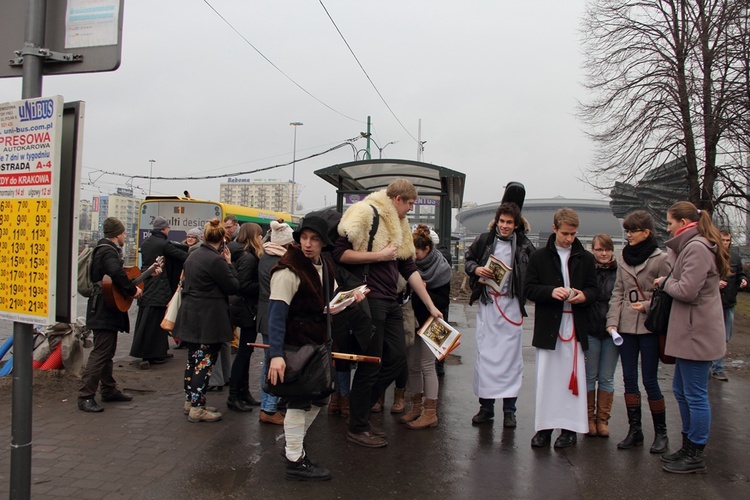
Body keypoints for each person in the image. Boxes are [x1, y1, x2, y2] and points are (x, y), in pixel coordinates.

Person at [333, 178, 444, 448]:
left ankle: (360, 409)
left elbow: (409, 268)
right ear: (397, 200)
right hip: (368, 299)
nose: (411, 209)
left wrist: (430, 306)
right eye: (410, 204)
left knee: (395, 360)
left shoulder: (400, 225)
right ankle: (357, 425)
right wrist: (378, 257)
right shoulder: (366, 212)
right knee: (372, 363)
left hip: (391, 300)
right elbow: (339, 254)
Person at [267, 217, 355, 481]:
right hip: (295, 346)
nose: (307, 244)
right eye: (304, 237)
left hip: (317, 344)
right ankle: (295, 459)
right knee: (299, 401)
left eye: (314, 239)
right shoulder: (288, 270)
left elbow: (331, 301)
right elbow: (276, 315)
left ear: (323, 243)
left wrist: (352, 297)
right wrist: (276, 356)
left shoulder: (325, 265)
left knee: (318, 397)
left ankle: (294, 449)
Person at [655, 202, 729, 474]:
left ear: (684, 222)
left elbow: (686, 290)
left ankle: (695, 451)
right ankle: (687, 446)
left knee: (695, 394)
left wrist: (664, 282)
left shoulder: (696, 248)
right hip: (689, 330)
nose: (668, 226)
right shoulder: (690, 246)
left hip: (696, 333)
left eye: (670, 221)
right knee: (681, 391)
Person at [525, 208, 598, 448]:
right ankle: (544, 428)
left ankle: (569, 429)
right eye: (565, 233)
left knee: (573, 379)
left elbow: (594, 290)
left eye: (573, 234)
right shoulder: (539, 257)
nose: (569, 238)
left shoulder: (586, 258)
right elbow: (529, 289)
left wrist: (581, 296)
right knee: (547, 380)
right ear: (555, 228)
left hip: (575, 325)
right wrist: (550, 291)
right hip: (549, 326)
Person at [78, 217, 160, 413]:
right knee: (100, 353)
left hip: (105, 308)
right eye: (123, 233)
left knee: (107, 352)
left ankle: (108, 389)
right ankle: (85, 396)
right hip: (103, 310)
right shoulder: (108, 251)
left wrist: (147, 274)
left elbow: (117, 277)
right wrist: (133, 291)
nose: (125, 236)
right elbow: (116, 273)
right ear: (117, 234)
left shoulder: (104, 250)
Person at [464, 202, 535, 428]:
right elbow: (468, 260)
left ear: (516, 225)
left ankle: (509, 410)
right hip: (489, 307)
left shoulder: (525, 245)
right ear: (497, 222)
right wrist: (476, 269)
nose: (505, 226)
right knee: (486, 358)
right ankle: (486, 408)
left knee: (511, 361)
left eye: (509, 223)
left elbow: (536, 271)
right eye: (502, 222)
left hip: (511, 307)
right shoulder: (485, 240)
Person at [606, 211, 671, 452]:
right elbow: (617, 292)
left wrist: (646, 305)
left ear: (647, 233)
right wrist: (612, 322)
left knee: (650, 379)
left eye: (633, 231)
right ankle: (635, 431)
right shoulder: (624, 258)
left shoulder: (661, 258)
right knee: (629, 378)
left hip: (649, 326)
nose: (629, 234)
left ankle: (661, 433)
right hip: (626, 327)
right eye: (628, 230)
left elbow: (668, 293)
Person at [174, 219, 239, 423]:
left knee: (193, 360)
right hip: (208, 319)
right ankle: (197, 407)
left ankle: (191, 401)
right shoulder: (215, 260)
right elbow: (233, 286)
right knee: (204, 362)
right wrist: (229, 264)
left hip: (191, 316)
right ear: (222, 239)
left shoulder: (193, 256)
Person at [398, 225, 453, 429]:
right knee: (412, 365)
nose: (413, 257)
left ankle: (430, 412)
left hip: (431, 322)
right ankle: (416, 407)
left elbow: (444, 301)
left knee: (427, 366)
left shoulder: (442, 268)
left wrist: (425, 290)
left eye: (417, 253)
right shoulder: (409, 267)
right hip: (412, 321)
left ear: (427, 249)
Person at [130, 216, 187, 365]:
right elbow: (182, 256)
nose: (168, 230)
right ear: (164, 229)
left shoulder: (147, 242)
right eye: (168, 228)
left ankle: (159, 350)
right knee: (155, 320)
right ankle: (153, 353)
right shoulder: (163, 243)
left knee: (147, 318)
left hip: (147, 283)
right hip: (158, 286)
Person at [256, 220, 295, 425]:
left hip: (265, 315)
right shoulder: (279, 261)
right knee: (273, 362)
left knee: (271, 361)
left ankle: (271, 404)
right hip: (274, 317)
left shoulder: (266, 256)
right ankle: (269, 408)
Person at [226, 222, 263, 412]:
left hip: (241, 307)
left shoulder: (238, 252)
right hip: (246, 308)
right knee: (244, 352)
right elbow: (243, 285)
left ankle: (243, 392)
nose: (261, 239)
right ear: (252, 236)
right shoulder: (248, 257)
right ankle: (234, 395)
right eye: (259, 235)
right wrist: (265, 286)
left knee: (245, 351)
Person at [585, 234, 619, 437]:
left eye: (607, 249)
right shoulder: (588, 271)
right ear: (593, 251)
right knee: (590, 376)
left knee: (606, 377)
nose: (604, 253)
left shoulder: (619, 272)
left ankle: (602, 420)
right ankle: (588, 418)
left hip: (611, 332)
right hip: (591, 330)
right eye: (599, 250)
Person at [710, 228, 747, 381]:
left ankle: (715, 365)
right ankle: (716, 368)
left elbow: (739, 274)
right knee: (713, 335)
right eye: (723, 240)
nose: (726, 243)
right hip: (712, 302)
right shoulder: (711, 256)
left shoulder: (735, 258)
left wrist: (743, 280)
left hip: (729, 303)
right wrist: (715, 284)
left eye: (728, 240)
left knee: (725, 336)